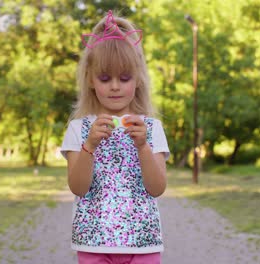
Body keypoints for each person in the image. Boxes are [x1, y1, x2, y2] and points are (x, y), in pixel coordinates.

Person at [60, 10, 169, 264]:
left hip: (143, 243)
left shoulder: (152, 128)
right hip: (93, 242)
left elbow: (157, 188)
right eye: (105, 78)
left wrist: (142, 146)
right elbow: (77, 187)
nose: (115, 86)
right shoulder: (79, 129)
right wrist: (89, 146)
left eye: (125, 77)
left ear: (139, 79)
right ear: (90, 79)